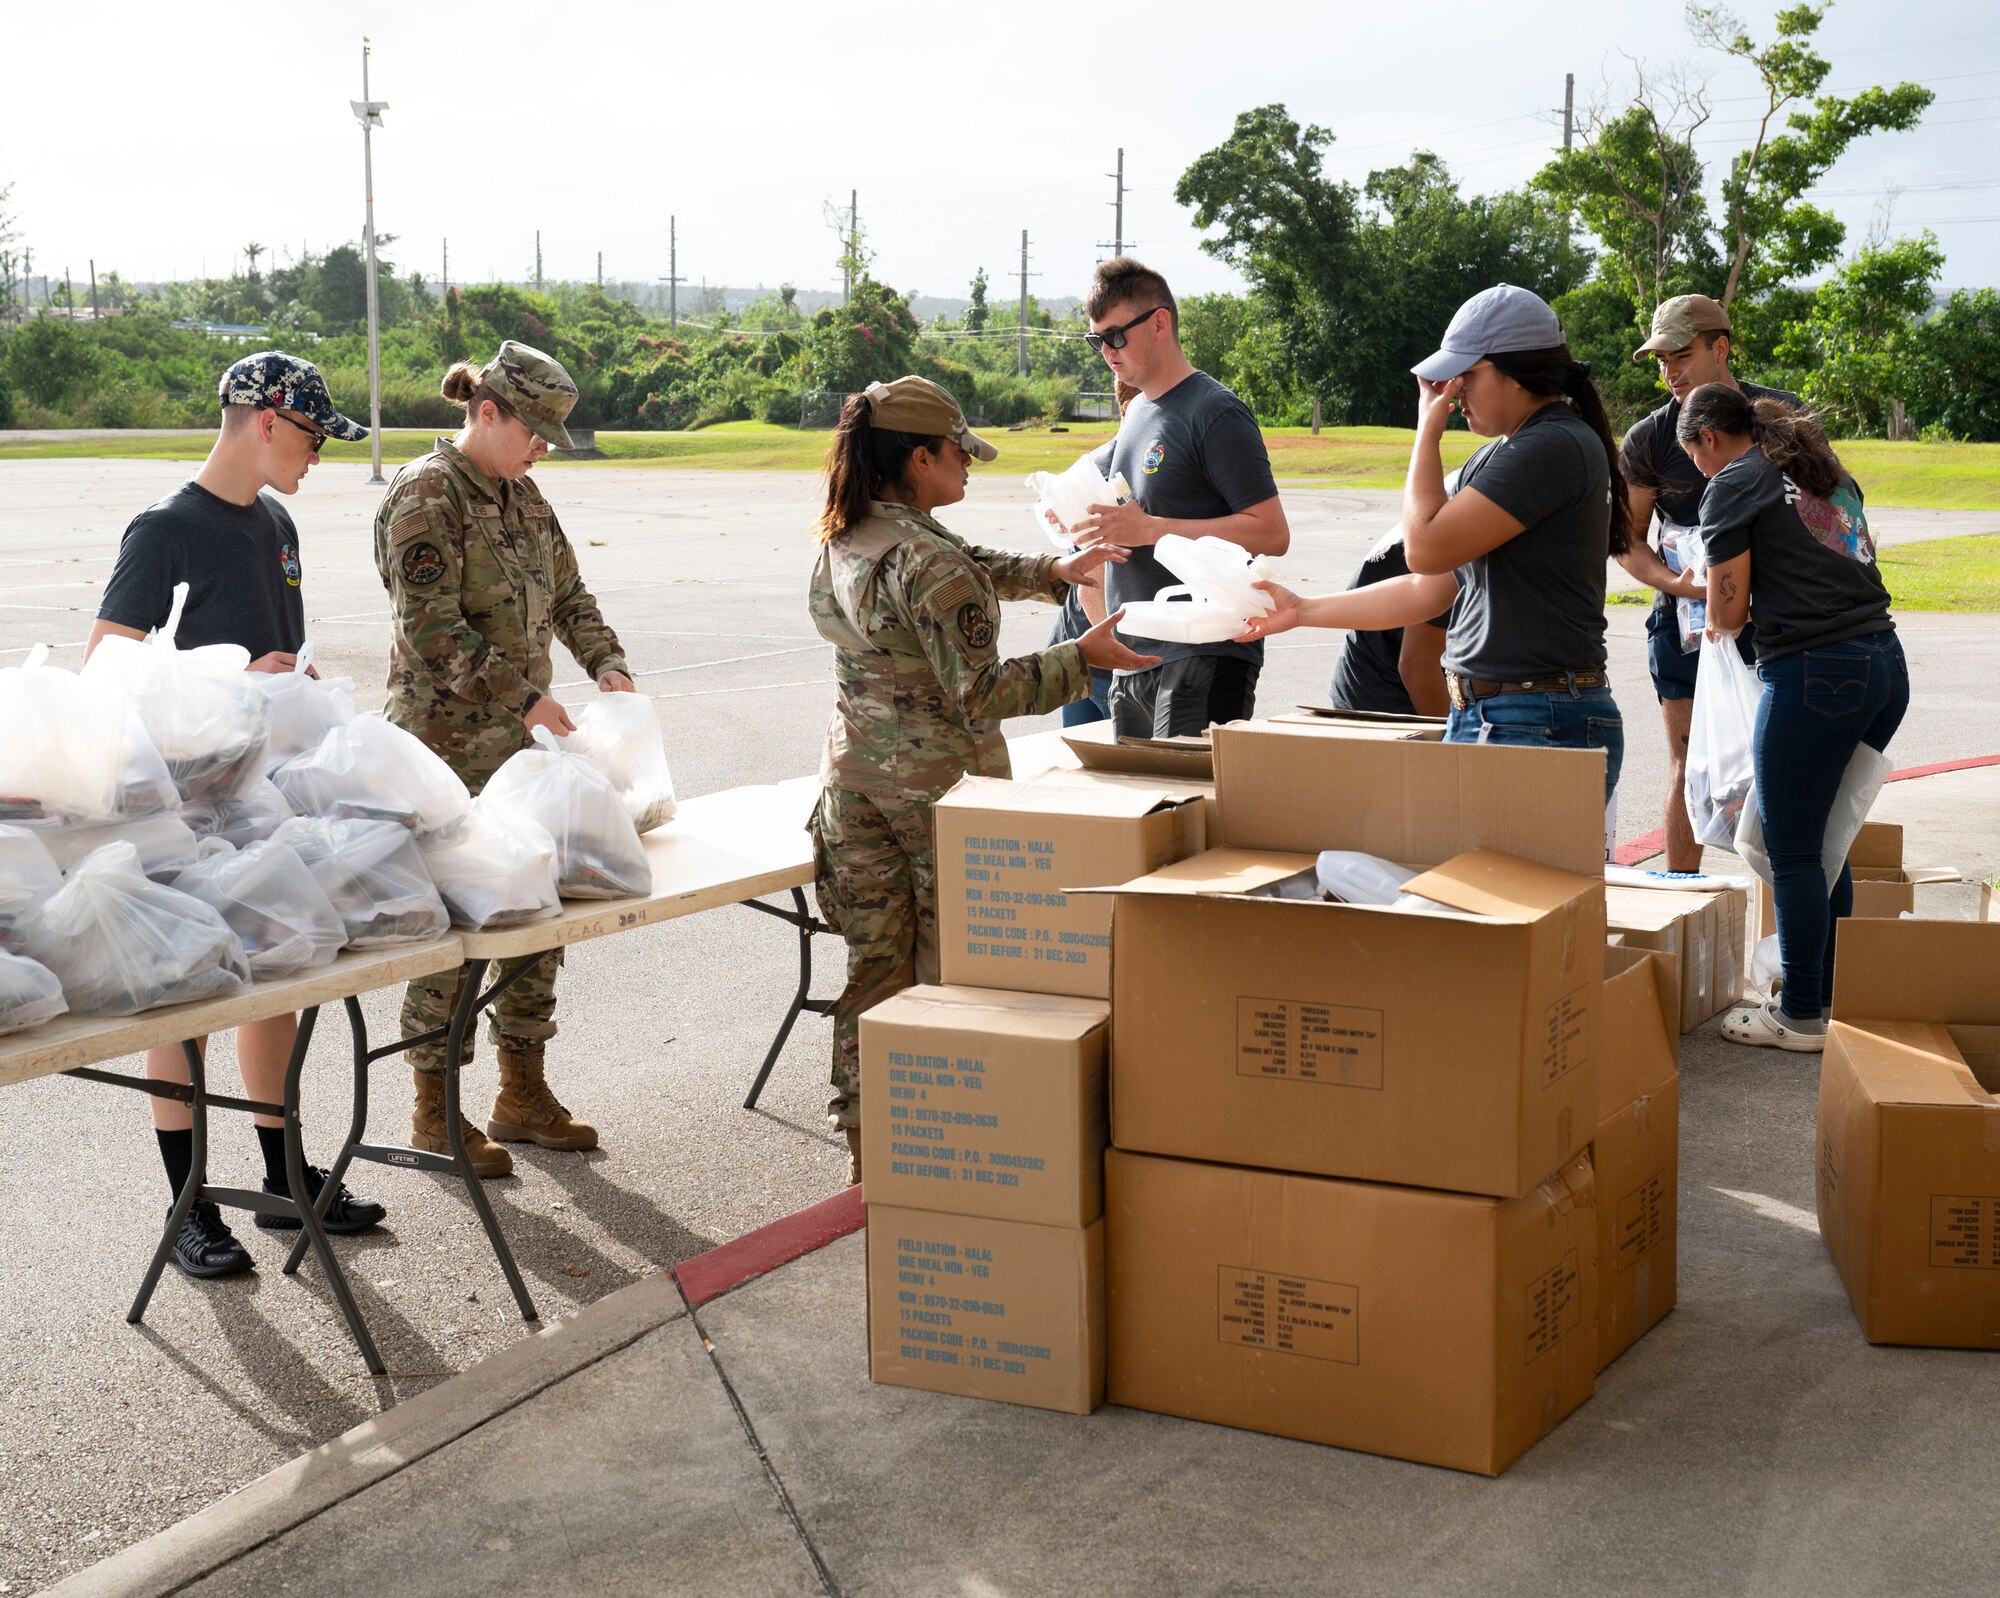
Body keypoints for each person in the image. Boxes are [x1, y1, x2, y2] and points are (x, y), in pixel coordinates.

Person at [809, 376, 1154, 1184]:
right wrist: (1084, 659)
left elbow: (964, 566)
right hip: (937, 802)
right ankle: (934, 1158)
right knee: (948, 980)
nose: (970, 465)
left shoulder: (851, 532)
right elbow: (981, 695)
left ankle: (864, 1153)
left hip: (853, 789)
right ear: (920, 458)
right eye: (960, 452)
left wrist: (1053, 570)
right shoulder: (928, 558)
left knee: (872, 970)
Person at [86, 351, 383, 1279]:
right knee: (187, 1004)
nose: (320, 455)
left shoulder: (276, 522)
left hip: (261, 797)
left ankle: (283, 1176)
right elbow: (108, 666)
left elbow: (272, 651)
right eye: (312, 435)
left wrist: (291, 685)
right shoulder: (164, 529)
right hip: (177, 812)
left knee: (279, 979)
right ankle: (189, 1205)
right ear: (263, 422)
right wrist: (227, 679)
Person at [373, 342, 636, 1176]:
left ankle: (522, 1092)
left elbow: (568, 594)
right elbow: (430, 629)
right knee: (451, 931)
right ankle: (432, 1109)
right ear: (487, 413)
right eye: (536, 431)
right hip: (442, 756)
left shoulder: (523, 497)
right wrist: (524, 696)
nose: (544, 448)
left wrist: (607, 662)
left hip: (522, 759)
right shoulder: (423, 497)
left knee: (535, 918)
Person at [1239, 284, 1631, 803]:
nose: (1453, 390)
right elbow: (1428, 589)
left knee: (1491, 885)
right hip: (1508, 714)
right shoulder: (1509, 452)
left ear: (1513, 371)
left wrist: (1427, 432)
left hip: (1535, 717)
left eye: (1466, 374)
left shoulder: (1553, 445)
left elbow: (1423, 545)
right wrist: (1302, 609)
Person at [1679, 384, 1905, 1052]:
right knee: (1824, 845)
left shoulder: (1730, 483)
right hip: (1884, 664)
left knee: (1794, 848)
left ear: (1708, 440)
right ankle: (1829, 991)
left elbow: (1725, 615)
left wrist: (1686, 580)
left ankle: (1802, 1015)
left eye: (1693, 453)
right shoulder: (1818, 466)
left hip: (1817, 672)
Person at [1070, 258, 1290, 737]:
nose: (1106, 350)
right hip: (1136, 658)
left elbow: (1272, 532)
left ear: (1160, 324)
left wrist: (1153, 529)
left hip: (1203, 652)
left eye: (1115, 336)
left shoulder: (1216, 412)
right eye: (1097, 340)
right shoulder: (1137, 414)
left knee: (1189, 802)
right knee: (1143, 809)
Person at [1618, 294, 1800, 871]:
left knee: (1782, 769)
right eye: (1661, 360)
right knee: (1688, 762)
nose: (1670, 372)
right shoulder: (1649, 437)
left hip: (1775, 622)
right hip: (1684, 627)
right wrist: (1683, 586)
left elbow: (1817, 511)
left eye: (1681, 355)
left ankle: (1782, 919)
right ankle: (1676, 909)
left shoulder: (1780, 416)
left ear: (1720, 347)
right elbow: (1625, 539)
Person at [1046, 379, 1142, 727]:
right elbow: (1093, 582)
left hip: (1079, 649)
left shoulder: (1094, 464)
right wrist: (1128, 663)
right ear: (1134, 410)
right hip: (1108, 655)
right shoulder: (1111, 473)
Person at [1325, 530, 1451, 717]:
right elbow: (1417, 665)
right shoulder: (1448, 546)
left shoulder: (1421, 526)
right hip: (1389, 702)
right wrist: (1452, 739)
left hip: (1363, 682)